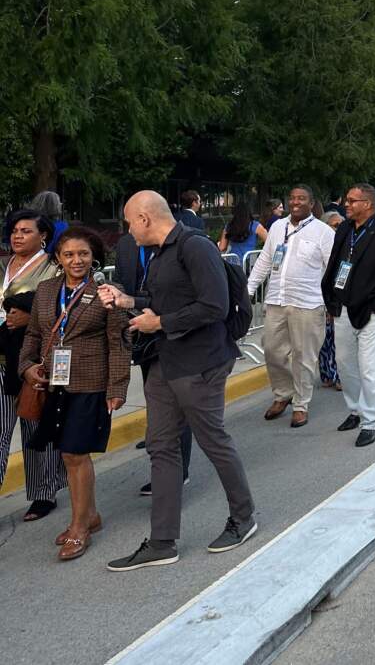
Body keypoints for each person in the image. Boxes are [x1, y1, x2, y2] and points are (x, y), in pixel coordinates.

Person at [99, 191, 256, 571]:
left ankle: (244, 518)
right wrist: (128, 302)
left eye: (129, 222)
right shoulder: (161, 252)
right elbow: (162, 296)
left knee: (212, 439)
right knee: (161, 446)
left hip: (199, 362)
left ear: (146, 218)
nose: (127, 230)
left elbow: (214, 306)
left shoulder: (195, 246)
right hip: (164, 362)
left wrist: (161, 323)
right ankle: (162, 541)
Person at [20, 227, 130, 560]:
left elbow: (119, 342)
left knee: (74, 454)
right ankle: (91, 515)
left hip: (90, 383)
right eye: (68, 254)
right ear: (57, 258)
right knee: (68, 453)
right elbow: (35, 333)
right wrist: (26, 366)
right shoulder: (46, 289)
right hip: (54, 382)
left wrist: (117, 387)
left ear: (93, 256)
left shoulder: (107, 291)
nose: (76, 260)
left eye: (83, 254)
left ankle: (79, 528)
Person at [321, 183, 375, 447]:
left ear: (367, 204)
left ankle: (370, 421)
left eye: (352, 200)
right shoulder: (344, 229)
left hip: (372, 311)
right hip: (342, 307)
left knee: (371, 369)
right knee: (345, 365)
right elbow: (335, 264)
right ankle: (355, 410)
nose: (347, 204)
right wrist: (331, 300)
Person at [113, 230, 193, 496]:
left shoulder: (183, 245)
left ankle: (177, 473)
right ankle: (160, 450)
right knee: (156, 398)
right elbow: (123, 282)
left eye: (134, 220)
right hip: (141, 335)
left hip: (176, 333)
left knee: (178, 405)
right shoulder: (126, 244)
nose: (130, 227)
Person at [247, 186, 334, 428]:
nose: (295, 202)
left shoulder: (323, 232)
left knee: (304, 356)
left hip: (309, 303)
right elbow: (265, 259)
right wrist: (249, 289)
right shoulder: (277, 227)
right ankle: (283, 393)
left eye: (301, 198)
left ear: (311, 203)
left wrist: (331, 303)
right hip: (276, 300)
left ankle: (300, 404)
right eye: (292, 198)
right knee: (272, 350)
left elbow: (332, 269)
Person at [0, 210, 65, 522]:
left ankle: (44, 492)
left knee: (34, 425)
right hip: (0, 359)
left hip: (31, 360)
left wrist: (31, 317)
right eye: (14, 230)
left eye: (26, 231)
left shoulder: (53, 268)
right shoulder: (2, 264)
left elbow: (63, 311)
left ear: (43, 236)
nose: (17, 236)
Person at [319, 211, 344, 390]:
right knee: (323, 341)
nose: (338, 229)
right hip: (319, 298)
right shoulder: (321, 245)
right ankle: (326, 375)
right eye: (335, 225)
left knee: (336, 341)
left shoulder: (343, 245)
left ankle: (338, 376)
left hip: (337, 299)